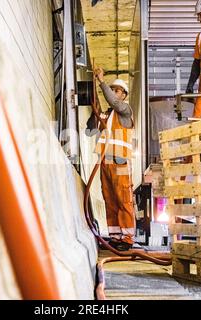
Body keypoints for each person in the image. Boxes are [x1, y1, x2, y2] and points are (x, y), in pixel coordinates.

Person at [85, 67, 135, 251]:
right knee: (110, 199)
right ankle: (115, 236)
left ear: (124, 95)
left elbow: (113, 102)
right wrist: (94, 112)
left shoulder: (125, 111)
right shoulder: (106, 115)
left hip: (120, 162)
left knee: (123, 199)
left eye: (117, 90)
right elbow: (89, 131)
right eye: (112, 89)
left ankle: (127, 237)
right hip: (105, 162)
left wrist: (101, 81)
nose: (114, 92)